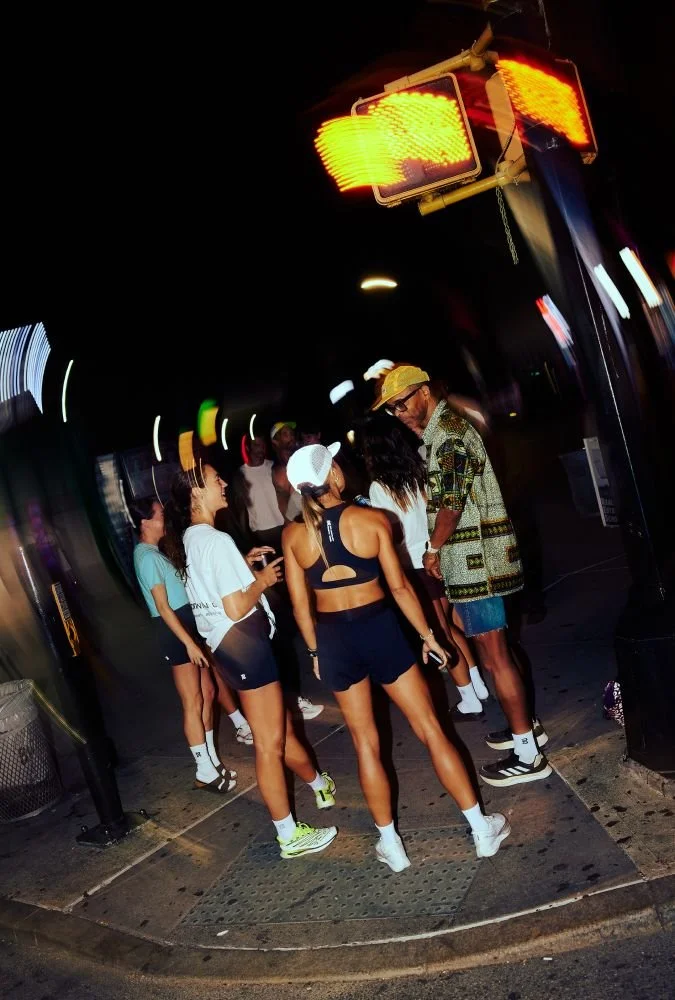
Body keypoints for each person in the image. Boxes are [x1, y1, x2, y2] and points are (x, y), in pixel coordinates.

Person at [282, 442, 510, 872]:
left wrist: (314, 650)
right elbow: (402, 588)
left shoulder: (293, 535)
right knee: (430, 729)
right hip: (380, 630)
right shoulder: (371, 521)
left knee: (365, 744)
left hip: (333, 639)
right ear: (334, 476)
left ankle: (392, 846)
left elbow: (299, 605)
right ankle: (482, 830)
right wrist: (429, 636)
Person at [372, 364, 550, 788]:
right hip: (477, 560)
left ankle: (527, 751)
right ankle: (523, 726)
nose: (399, 414)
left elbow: (450, 504)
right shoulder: (441, 434)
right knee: (495, 653)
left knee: (494, 655)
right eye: (392, 410)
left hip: (478, 562)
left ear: (423, 393)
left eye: (401, 404)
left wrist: (432, 549)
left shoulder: (449, 435)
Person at [161, 461, 338, 860]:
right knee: (269, 744)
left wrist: (241, 563)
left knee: (278, 730)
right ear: (195, 493)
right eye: (214, 480)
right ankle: (288, 835)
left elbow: (211, 585)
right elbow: (235, 604)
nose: (223, 483)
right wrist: (262, 581)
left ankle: (317, 784)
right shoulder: (214, 541)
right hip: (246, 647)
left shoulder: (193, 539)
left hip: (231, 649)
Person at [358, 417, 489, 720]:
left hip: (415, 565)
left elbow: (394, 533)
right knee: (451, 626)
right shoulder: (419, 470)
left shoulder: (380, 487)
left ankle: (470, 699)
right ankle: (478, 687)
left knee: (440, 633)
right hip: (438, 554)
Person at [130, 498, 247, 793]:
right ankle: (203, 769)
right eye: (160, 514)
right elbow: (163, 607)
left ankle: (211, 760)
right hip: (174, 632)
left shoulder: (155, 553)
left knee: (207, 692)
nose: (165, 518)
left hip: (186, 628)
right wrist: (188, 644)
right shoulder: (145, 556)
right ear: (145, 522)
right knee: (192, 701)